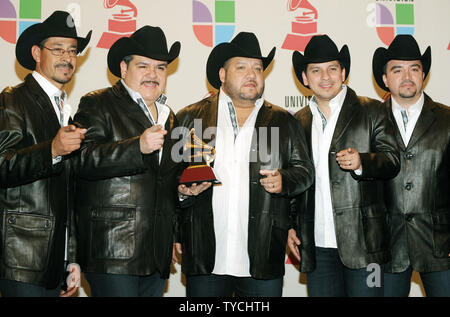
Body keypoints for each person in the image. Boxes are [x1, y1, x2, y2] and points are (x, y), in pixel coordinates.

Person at [174, 31, 314, 297]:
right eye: (242, 67)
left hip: (262, 255)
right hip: (205, 256)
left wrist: (285, 180)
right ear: (223, 75)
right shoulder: (190, 118)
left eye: (258, 68)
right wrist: (176, 229)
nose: (252, 75)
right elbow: (171, 180)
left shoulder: (283, 121)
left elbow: (305, 172)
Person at [72, 26, 181, 297]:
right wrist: (137, 147)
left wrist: (186, 190)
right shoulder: (98, 103)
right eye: (143, 66)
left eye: (161, 68)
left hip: (155, 252)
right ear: (123, 69)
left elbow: (168, 180)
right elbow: (81, 159)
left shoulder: (170, 116)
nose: (153, 75)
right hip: (113, 250)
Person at [288, 35, 400, 297]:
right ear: (305, 78)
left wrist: (363, 162)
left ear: (344, 73)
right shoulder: (298, 121)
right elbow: (297, 179)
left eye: (332, 68)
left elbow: (393, 161)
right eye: (316, 70)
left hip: (365, 246)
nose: (325, 76)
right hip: (317, 245)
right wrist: (291, 224)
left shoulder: (372, 111)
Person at [0, 11, 91, 297]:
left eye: (73, 50)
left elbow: (69, 190)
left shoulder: (67, 109)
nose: (67, 57)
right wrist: (50, 150)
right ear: (37, 53)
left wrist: (71, 257)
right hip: (21, 257)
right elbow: (2, 165)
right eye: (58, 49)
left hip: (55, 261)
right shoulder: (13, 98)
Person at [372, 34, 450, 297]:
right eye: (397, 69)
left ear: (423, 74)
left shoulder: (447, 119)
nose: (407, 76)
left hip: (441, 243)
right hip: (386, 246)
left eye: (414, 68)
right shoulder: (369, 121)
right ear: (385, 79)